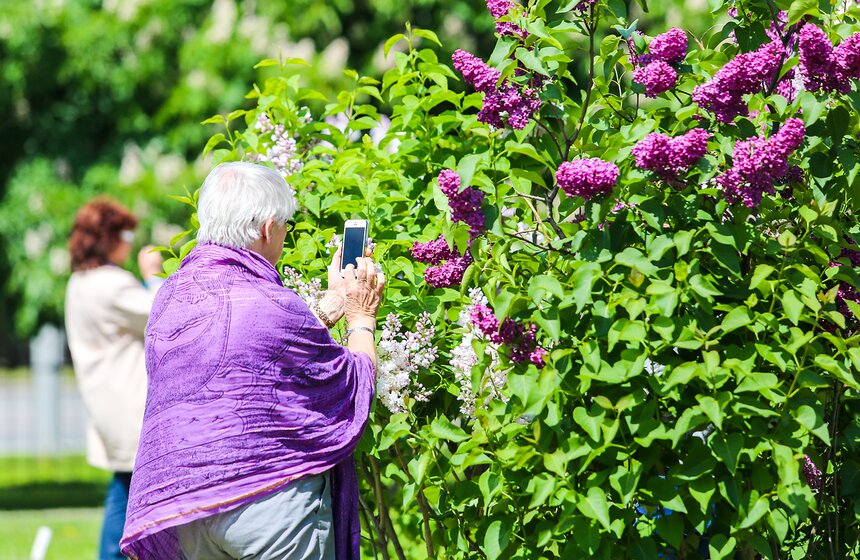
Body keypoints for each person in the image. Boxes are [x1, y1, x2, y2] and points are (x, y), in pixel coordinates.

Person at [120, 161, 384, 560]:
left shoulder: (172, 296)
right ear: (267, 228)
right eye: (285, 226)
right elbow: (350, 383)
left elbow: (248, 350)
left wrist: (330, 306)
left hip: (187, 507)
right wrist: (361, 317)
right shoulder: (272, 305)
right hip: (266, 504)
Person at [65, 198, 164, 560]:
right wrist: (153, 273)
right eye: (124, 233)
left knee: (122, 495)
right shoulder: (112, 284)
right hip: (133, 406)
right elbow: (161, 312)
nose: (130, 241)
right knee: (135, 505)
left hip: (108, 406)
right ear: (106, 238)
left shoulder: (79, 282)